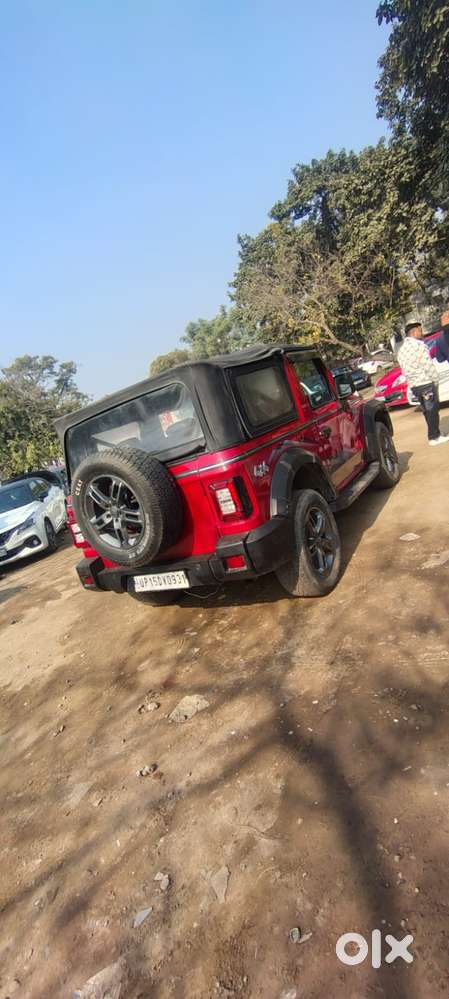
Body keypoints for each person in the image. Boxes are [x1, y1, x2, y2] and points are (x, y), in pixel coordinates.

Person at [397, 321, 449, 446]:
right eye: (420, 330)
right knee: (432, 410)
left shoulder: (402, 350)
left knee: (426, 410)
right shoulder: (419, 346)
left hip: (415, 385)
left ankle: (434, 435)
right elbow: (427, 365)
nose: (422, 333)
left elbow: (403, 369)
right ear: (414, 332)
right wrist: (435, 379)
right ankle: (434, 436)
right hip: (425, 382)